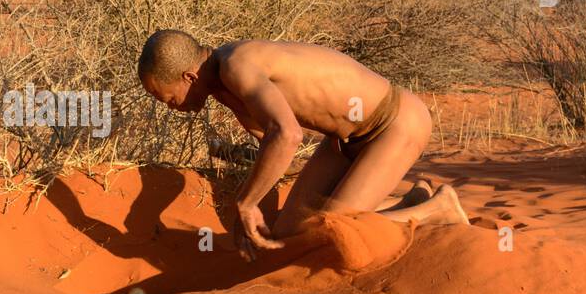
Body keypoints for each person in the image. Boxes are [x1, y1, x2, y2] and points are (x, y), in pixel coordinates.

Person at [137, 30, 467, 261]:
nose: (168, 105)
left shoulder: (235, 66)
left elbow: (288, 135)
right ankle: (410, 200)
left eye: (163, 96)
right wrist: (238, 165)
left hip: (393, 122)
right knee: (289, 235)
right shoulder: (224, 87)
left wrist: (247, 204)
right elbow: (276, 147)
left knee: (327, 235)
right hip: (343, 141)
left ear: (188, 78)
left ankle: (437, 209)